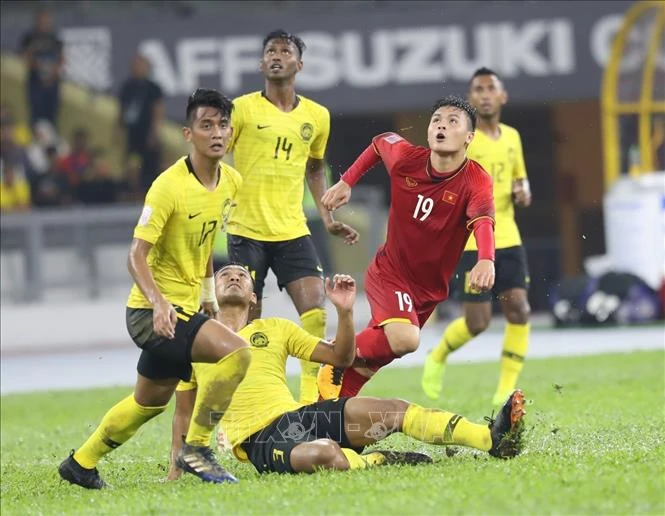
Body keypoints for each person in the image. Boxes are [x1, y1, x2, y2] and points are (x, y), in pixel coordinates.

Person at [58, 88, 251, 489]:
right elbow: (135, 255)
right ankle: (196, 449)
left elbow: (202, 245)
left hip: (183, 310)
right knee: (238, 353)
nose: (216, 133)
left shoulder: (230, 182)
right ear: (187, 133)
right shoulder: (168, 186)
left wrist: (208, 297)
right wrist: (160, 303)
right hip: (151, 313)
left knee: (148, 404)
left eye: (222, 125)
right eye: (206, 125)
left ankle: (81, 463)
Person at [167, 264, 526, 478]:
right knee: (324, 454)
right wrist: (175, 471)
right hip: (259, 440)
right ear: (209, 296)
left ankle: (490, 439)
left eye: (241, 276)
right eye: (224, 275)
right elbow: (183, 414)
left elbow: (341, 357)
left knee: (394, 410)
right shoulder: (196, 344)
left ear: (253, 298)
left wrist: (344, 312)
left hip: (299, 418)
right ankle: (375, 460)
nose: (233, 277)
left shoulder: (274, 329)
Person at [318, 95, 496, 399]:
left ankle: (324, 417)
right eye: (437, 120)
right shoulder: (406, 159)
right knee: (405, 340)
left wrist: (486, 259)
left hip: (428, 291)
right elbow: (380, 142)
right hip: (391, 273)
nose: (441, 125)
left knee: (368, 365)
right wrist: (347, 181)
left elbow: (482, 222)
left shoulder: (476, 180)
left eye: (452, 121)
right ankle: (327, 355)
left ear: (469, 137)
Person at [226, 29, 359, 405]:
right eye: (270, 50)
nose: (276, 56)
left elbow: (314, 168)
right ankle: (246, 398)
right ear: (260, 63)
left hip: (291, 228)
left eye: (285, 51)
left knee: (315, 303)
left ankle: (308, 398)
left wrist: (327, 216)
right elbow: (216, 154)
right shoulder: (242, 109)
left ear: (299, 65)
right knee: (246, 318)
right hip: (245, 229)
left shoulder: (317, 116)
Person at [421, 68, 532, 406]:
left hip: (508, 236)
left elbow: (519, 180)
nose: (484, 95)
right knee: (478, 321)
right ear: (470, 100)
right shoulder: (463, 139)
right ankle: (438, 355)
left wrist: (523, 190)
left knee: (519, 310)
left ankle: (505, 389)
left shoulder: (512, 137)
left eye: (490, 88)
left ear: (502, 96)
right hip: (471, 242)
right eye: (478, 90)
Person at [117, 54, 165, 193]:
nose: (138, 68)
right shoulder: (127, 86)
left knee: (150, 164)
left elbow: (158, 110)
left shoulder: (153, 87)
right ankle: (131, 192)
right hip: (131, 131)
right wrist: (119, 129)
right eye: (136, 65)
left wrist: (154, 132)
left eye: (141, 65)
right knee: (130, 163)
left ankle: (151, 192)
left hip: (147, 131)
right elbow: (121, 109)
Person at [19, 9, 64, 126]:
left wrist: (53, 71)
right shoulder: (29, 38)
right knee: (36, 116)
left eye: (46, 20)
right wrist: (39, 66)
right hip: (36, 82)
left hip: (52, 83)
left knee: (52, 116)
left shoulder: (55, 38)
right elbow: (24, 58)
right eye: (41, 19)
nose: (44, 22)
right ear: (36, 20)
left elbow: (62, 59)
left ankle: (50, 141)